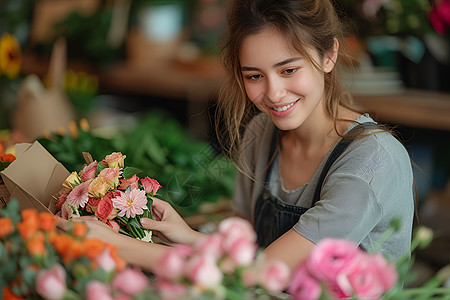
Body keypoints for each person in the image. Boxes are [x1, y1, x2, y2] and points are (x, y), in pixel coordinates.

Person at [57, 0, 415, 273]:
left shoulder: (371, 163)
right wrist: (190, 237)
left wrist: (119, 246)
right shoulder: (262, 134)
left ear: (328, 56)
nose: (274, 93)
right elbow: (246, 257)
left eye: (289, 69)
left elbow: (264, 272)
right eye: (254, 76)